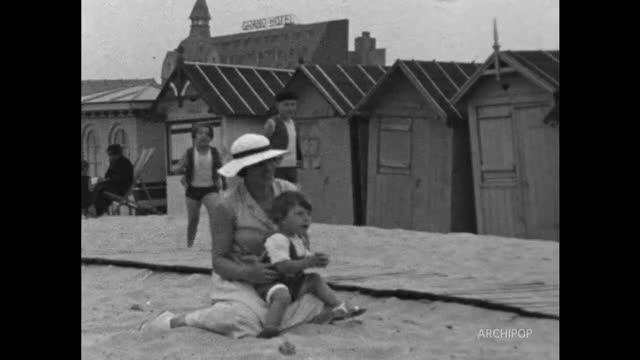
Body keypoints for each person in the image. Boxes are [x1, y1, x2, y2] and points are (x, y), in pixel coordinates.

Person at [140, 134, 331, 338]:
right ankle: (179, 320)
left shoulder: (289, 192)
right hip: (240, 277)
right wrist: (247, 272)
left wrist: (300, 261)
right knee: (240, 321)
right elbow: (219, 260)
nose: (267, 169)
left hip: (286, 275)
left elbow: (301, 237)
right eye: (258, 165)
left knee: (316, 301)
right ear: (244, 170)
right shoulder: (226, 205)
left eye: (269, 162)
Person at [256, 191, 366, 338]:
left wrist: (317, 260)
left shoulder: (297, 238)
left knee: (314, 279)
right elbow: (283, 267)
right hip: (272, 283)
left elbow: (303, 258)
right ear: (281, 219)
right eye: (299, 214)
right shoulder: (277, 239)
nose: (306, 219)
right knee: (282, 296)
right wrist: (309, 262)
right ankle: (271, 327)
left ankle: (337, 306)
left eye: (308, 214)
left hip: (291, 282)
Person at [171, 123, 227, 247]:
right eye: (200, 133)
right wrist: (178, 169)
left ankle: (217, 244)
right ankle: (189, 244)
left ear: (211, 138)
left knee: (215, 216)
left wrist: (224, 183)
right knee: (193, 219)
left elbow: (221, 168)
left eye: (207, 134)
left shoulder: (214, 152)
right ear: (194, 137)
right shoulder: (189, 153)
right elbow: (178, 167)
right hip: (192, 190)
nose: (203, 136)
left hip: (210, 189)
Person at [264, 91, 303, 184]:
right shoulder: (272, 122)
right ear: (277, 106)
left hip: (292, 167)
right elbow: (264, 144)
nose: (290, 108)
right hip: (277, 167)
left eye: (293, 105)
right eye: (286, 105)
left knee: (293, 194)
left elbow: (297, 145)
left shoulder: (295, 124)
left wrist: (299, 163)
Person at [90, 144, 134, 217]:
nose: (109, 157)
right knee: (97, 187)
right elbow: (108, 175)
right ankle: (96, 210)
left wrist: (109, 179)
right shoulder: (116, 162)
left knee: (100, 188)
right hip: (115, 186)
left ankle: (97, 211)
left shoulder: (124, 163)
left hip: (121, 188)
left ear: (117, 154)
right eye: (109, 155)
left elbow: (122, 179)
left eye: (110, 155)